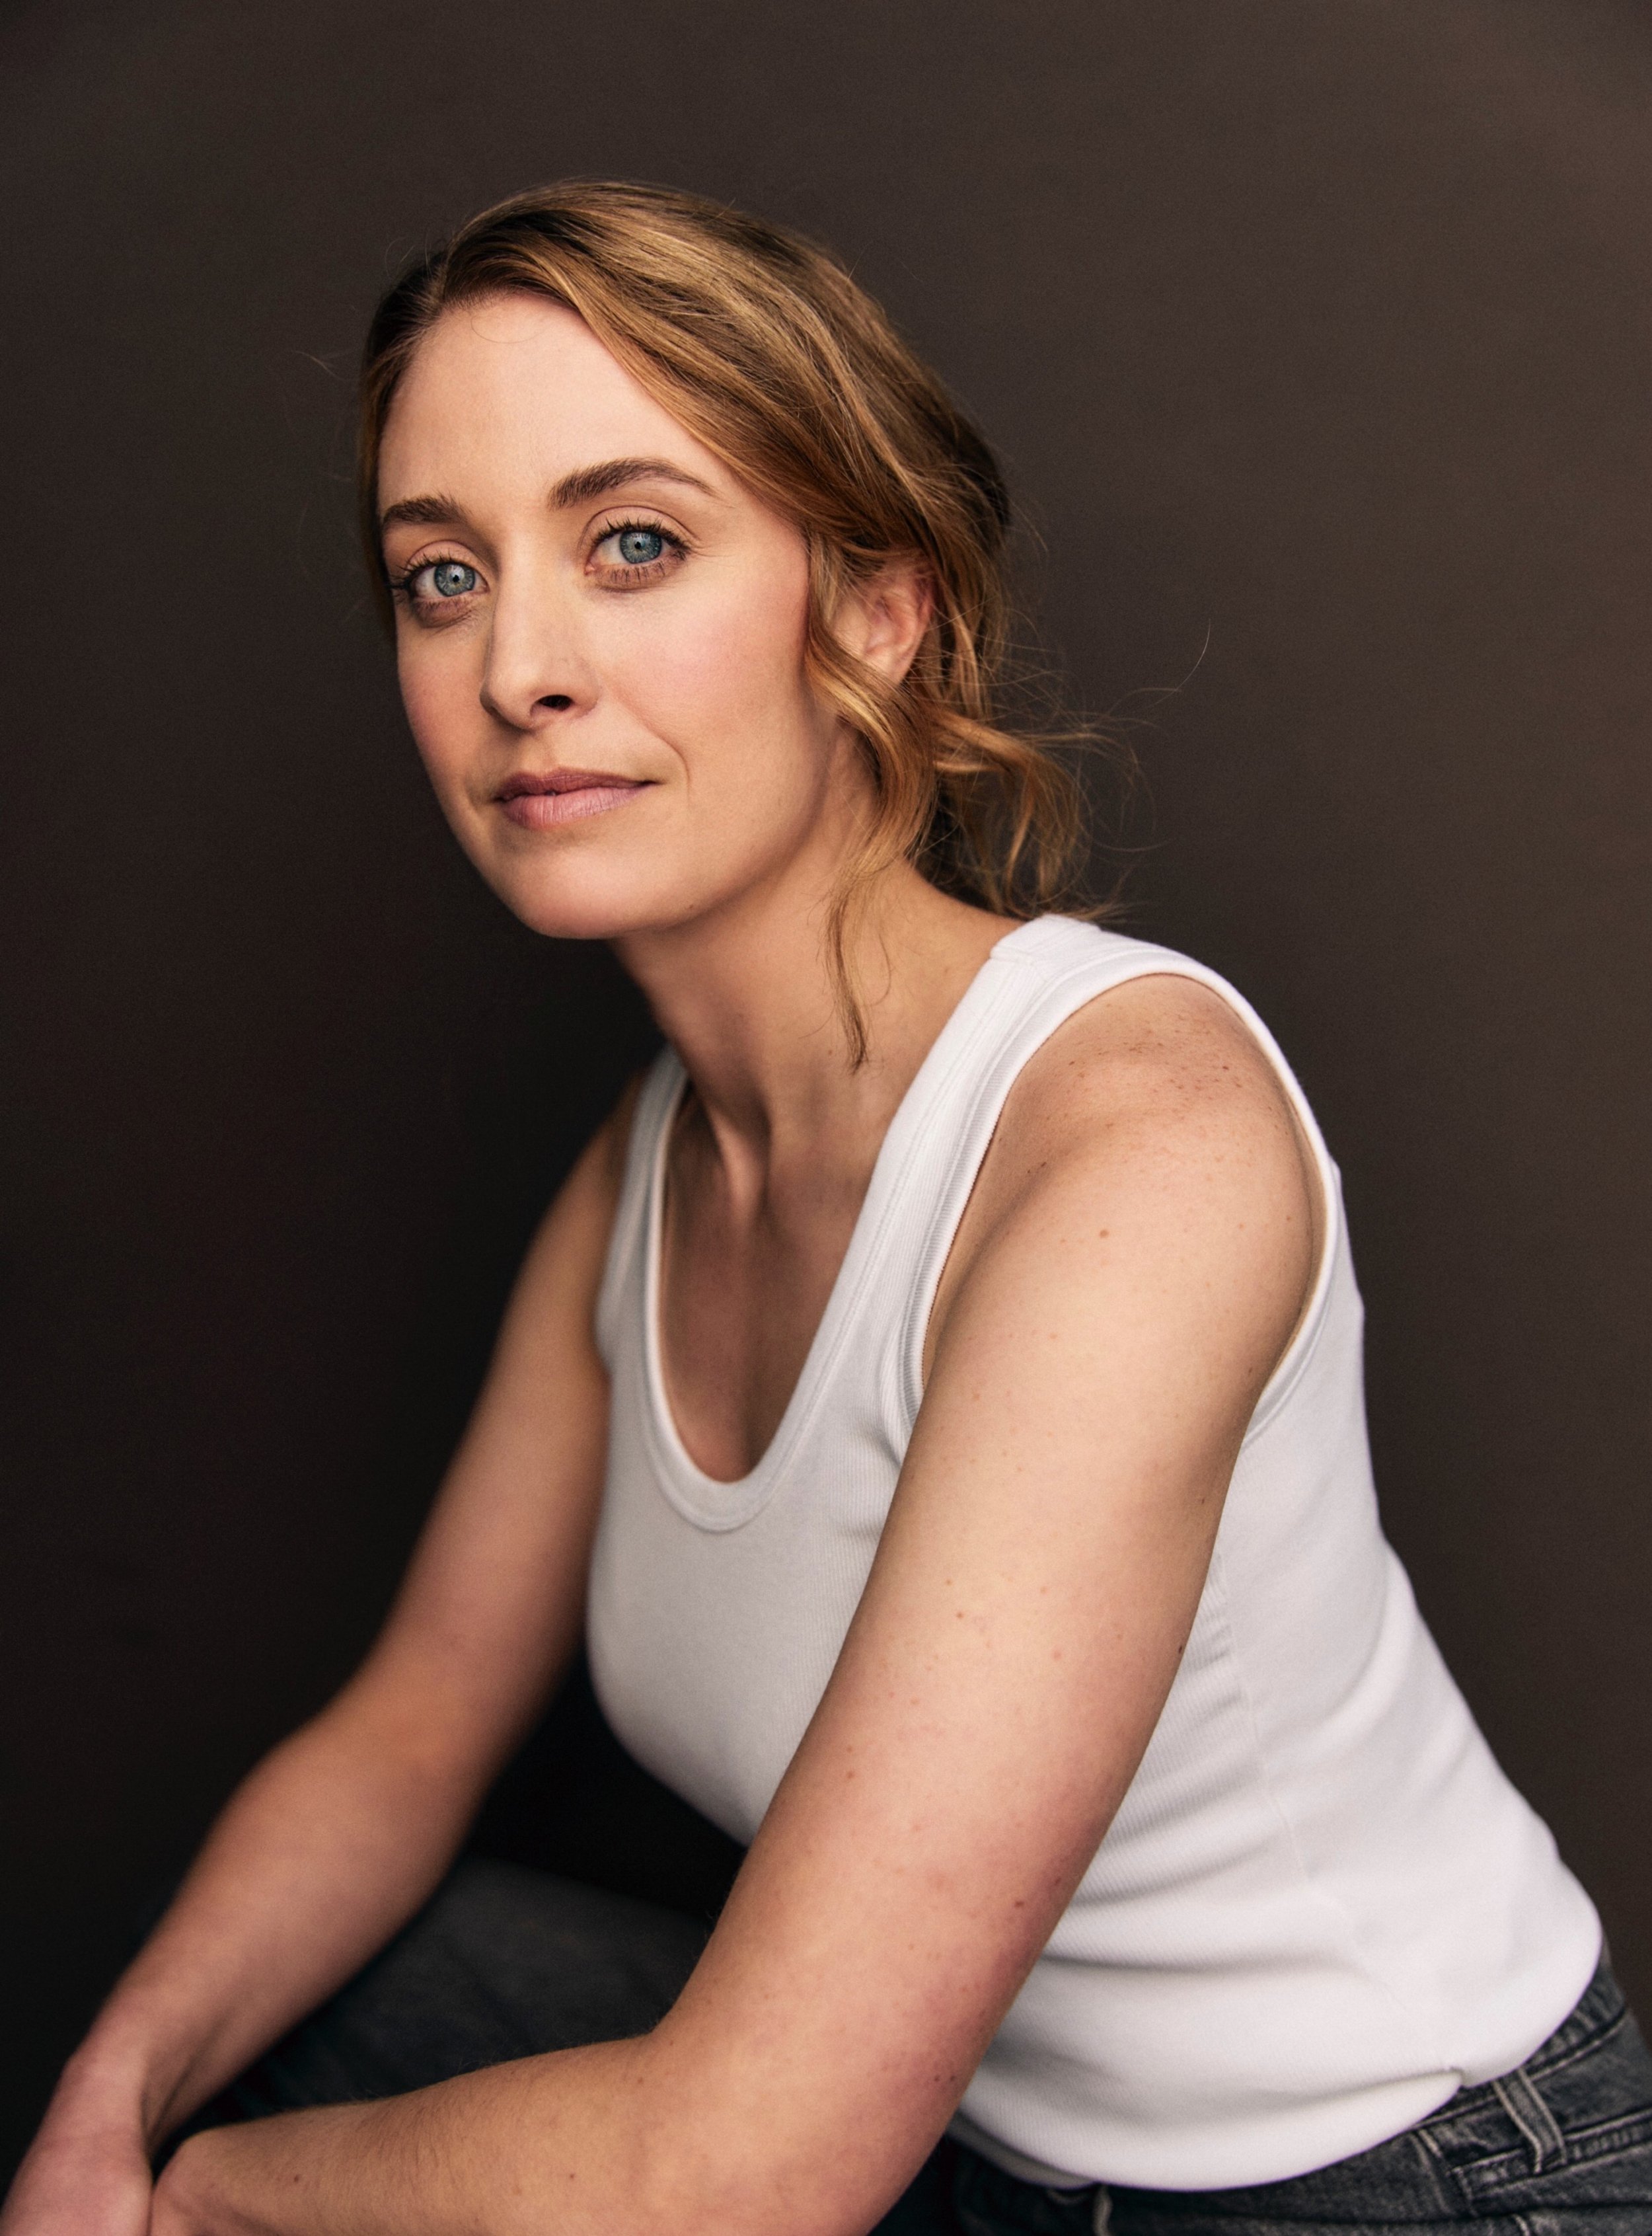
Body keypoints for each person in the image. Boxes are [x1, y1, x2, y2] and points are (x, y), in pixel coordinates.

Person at [5, 180, 1647, 2236]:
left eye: (632, 543)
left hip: (1397, 2187)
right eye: (443, 576)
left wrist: (202, 2202)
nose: (519, 668)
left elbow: (749, 2172)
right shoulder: (648, 1168)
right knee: (325, 1993)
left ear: (878, 607)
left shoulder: (1129, 1149)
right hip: (966, 2147)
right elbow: (409, 1734)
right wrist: (105, 2112)